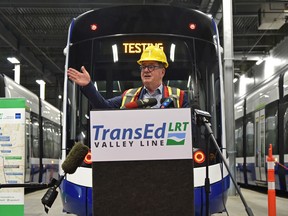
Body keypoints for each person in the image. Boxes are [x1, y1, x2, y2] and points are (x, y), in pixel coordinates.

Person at [67, 45, 188, 109]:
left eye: (151, 66)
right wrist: (88, 86)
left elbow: (191, 130)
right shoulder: (129, 96)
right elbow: (103, 106)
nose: (146, 70)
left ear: (162, 72)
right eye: (143, 66)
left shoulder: (179, 96)